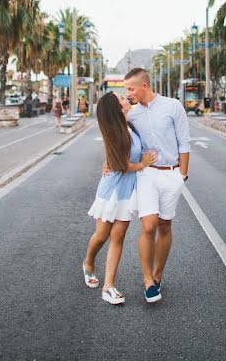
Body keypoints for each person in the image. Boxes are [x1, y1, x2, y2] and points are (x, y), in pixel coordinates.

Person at [83, 92, 157, 305]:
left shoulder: (130, 126)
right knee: (101, 234)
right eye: (122, 99)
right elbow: (119, 166)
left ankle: (109, 286)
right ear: (117, 108)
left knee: (118, 236)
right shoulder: (114, 131)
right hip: (112, 189)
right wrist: (143, 164)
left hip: (128, 190)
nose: (126, 99)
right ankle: (88, 263)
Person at [124, 67, 190, 304]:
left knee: (164, 225)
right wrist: (108, 161)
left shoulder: (173, 106)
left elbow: (184, 142)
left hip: (171, 174)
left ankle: (158, 275)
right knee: (149, 225)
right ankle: (147, 281)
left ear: (144, 86)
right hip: (147, 174)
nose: (128, 93)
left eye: (130, 88)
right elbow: (117, 136)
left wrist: (182, 176)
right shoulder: (131, 114)